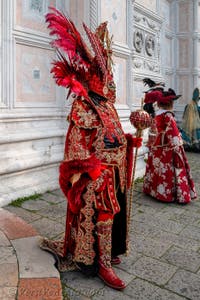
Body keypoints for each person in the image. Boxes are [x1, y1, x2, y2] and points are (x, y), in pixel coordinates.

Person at [39, 7, 142, 290]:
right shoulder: (83, 105)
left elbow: (114, 134)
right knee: (104, 212)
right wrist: (89, 171)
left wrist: (131, 141)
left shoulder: (107, 105)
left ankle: (106, 253)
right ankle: (101, 263)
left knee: (112, 213)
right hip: (96, 174)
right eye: (103, 70)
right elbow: (75, 144)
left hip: (114, 171)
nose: (109, 78)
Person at [143, 88, 197, 204]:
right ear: (170, 103)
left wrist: (151, 144)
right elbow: (173, 133)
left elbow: (152, 131)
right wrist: (178, 146)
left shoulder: (156, 115)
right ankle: (166, 194)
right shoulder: (168, 115)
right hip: (167, 147)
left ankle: (153, 190)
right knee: (166, 169)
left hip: (156, 146)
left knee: (156, 168)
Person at [180, 87, 200, 152]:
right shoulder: (198, 108)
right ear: (198, 99)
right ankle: (195, 144)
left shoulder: (187, 105)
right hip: (196, 126)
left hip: (186, 126)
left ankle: (188, 145)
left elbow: (183, 117)